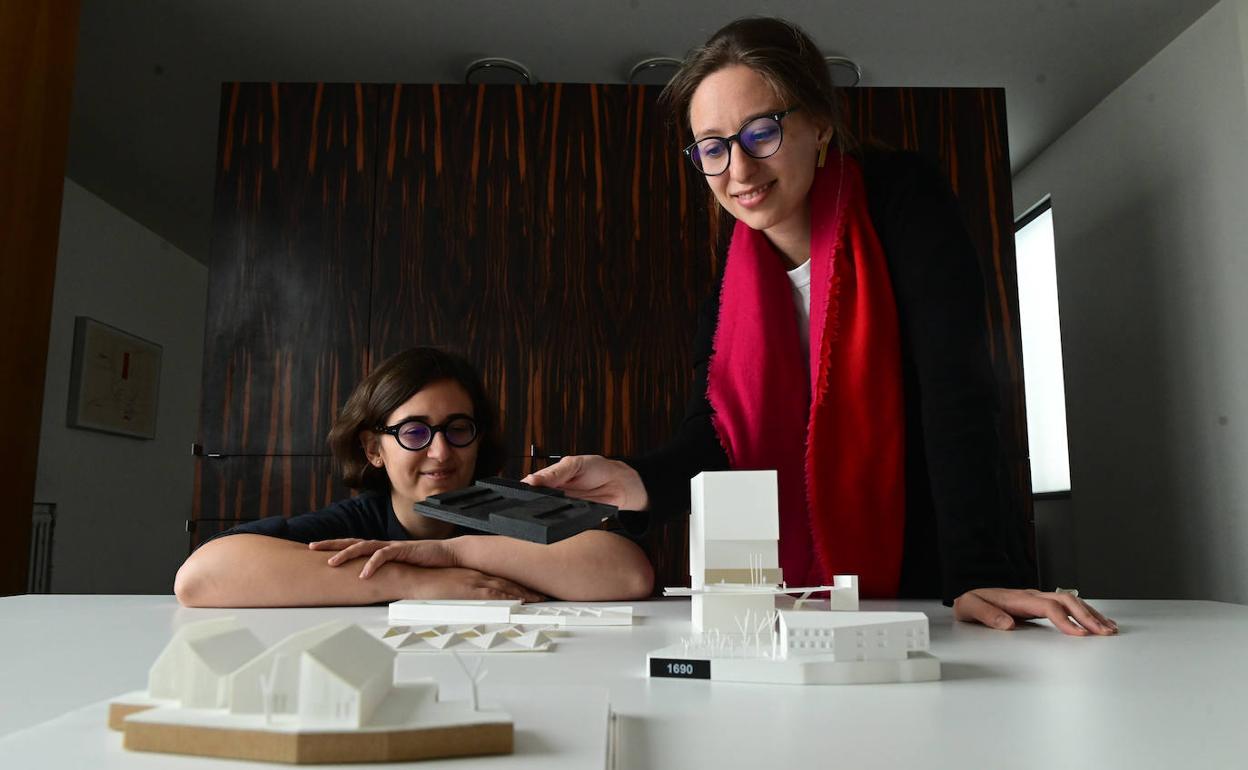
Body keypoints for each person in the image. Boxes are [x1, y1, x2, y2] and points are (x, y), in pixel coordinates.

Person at [524, 17, 1115, 636]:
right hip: (800, 606)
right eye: (714, 147)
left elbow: (956, 393)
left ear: (820, 126)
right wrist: (635, 479)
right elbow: (717, 438)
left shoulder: (903, 203)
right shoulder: (730, 290)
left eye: (762, 132)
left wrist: (976, 571)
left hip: (935, 577)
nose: (740, 170)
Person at [175, 347, 654, 607]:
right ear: (372, 449)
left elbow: (629, 573)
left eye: (458, 429)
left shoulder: (506, 507)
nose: (441, 451)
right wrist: (412, 582)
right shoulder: (357, 523)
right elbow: (199, 578)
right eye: (415, 432)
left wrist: (449, 552)